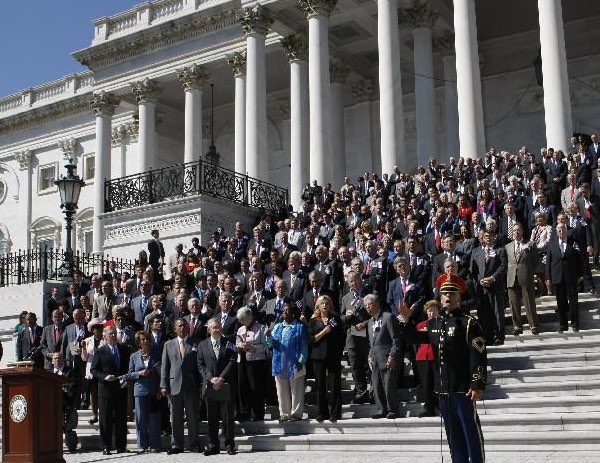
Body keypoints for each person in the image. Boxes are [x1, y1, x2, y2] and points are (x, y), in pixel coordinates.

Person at [401, 275, 487, 463]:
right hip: (443, 389)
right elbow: (414, 338)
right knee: (453, 436)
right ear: (439, 299)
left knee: (470, 431)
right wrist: (407, 321)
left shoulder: (468, 323)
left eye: (452, 293)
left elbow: (478, 354)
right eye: (444, 294)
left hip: (463, 388)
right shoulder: (434, 324)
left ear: (459, 298)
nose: (447, 297)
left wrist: (477, 383)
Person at [197, 317, 238, 456]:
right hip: (210, 386)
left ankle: (229, 445)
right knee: (212, 418)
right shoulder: (202, 345)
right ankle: (213, 445)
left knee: (227, 418)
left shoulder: (229, 343)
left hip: (225, 385)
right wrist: (211, 378)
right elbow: (200, 364)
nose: (217, 329)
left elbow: (233, 360)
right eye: (214, 327)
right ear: (209, 329)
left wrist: (221, 378)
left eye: (219, 327)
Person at [160, 318, 202, 454]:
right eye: (179, 326)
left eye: (184, 325)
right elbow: (165, 367)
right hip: (174, 385)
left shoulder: (196, 343)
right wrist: (163, 385)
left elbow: (200, 365)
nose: (182, 328)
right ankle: (177, 445)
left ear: (188, 327)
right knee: (176, 417)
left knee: (192, 417)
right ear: (175, 329)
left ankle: (194, 443)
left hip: (191, 385)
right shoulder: (168, 344)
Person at [90, 326, 131, 455]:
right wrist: (105, 377)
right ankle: (106, 446)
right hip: (106, 390)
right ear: (105, 336)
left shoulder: (124, 350)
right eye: (110, 334)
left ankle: (121, 446)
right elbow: (94, 370)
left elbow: (128, 367)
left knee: (121, 419)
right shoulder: (100, 351)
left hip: (121, 389)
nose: (113, 336)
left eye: (114, 333)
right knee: (105, 420)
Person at [268, 302, 309, 422]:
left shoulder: (299, 327)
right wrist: (268, 336)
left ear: (293, 313)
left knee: (297, 390)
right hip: (280, 363)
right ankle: (284, 413)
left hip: (295, 363)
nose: (284, 313)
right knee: (281, 390)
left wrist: (301, 360)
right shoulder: (278, 327)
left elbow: (303, 345)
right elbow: (271, 344)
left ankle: (296, 414)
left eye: (287, 311)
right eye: (283, 311)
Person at [308, 295, 344, 422]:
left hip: (333, 356)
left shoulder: (336, 319)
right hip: (318, 356)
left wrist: (339, 353)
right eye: (322, 303)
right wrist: (324, 331)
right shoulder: (313, 320)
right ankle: (322, 413)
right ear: (318, 305)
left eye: (327, 303)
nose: (324, 305)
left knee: (334, 385)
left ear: (330, 305)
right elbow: (311, 339)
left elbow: (341, 338)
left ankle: (335, 413)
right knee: (320, 386)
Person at [365, 294, 402, 419]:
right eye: (365, 306)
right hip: (375, 358)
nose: (367, 308)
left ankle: (393, 410)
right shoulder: (370, 321)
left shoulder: (388, 317)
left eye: (369, 305)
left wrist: (392, 355)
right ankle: (381, 409)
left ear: (376, 304)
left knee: (389, 384)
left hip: (387, 357)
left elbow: (396, 339)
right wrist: (370, 355)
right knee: (376, 384)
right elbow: (372, 341)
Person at [546, 223, 584, 332]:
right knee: (561, 302)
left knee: (573, 301)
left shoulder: (573, 243)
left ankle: (575, 324)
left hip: (571, 277)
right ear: (556, 232)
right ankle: (563, 325)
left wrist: (580, 275)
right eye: (559, 230)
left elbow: (579, 260)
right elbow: (548, 262)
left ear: (567, 231)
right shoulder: (552, 245)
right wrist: (548, 277)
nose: (561, 232)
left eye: (563, 230)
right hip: (557, 277)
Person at [128, 330, 162, 453]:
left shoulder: (156, 354)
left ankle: (155, 444)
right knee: (141, 419)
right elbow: (129, 374)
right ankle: (142, 444)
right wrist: (139, 373)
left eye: (147, 339)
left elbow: (161, 373)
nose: (146, 341)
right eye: (143, 339)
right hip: (140, 391)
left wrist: (160, 388)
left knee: (154, 418)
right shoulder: (134, 356)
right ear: (138, 342)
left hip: (154, 390)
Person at [505, 223, 540, 335]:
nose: (516, 232)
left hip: (526, 277)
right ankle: (517, 326)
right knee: (514, 303)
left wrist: (530, 273)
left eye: (518, 230)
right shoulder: (507, 246)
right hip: (512, 278)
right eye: (514, 231)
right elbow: (506, 263)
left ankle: (533, 325)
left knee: (529, 302)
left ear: (522, 231)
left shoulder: (530, 244)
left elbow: (535, 262)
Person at [235, 307, 269, 422]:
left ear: (249, 318)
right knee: (242, 386)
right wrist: (239, 346)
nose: (240, 322)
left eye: (242, 319)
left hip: (256, 362)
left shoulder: (261, 328)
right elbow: (236, 343)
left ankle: (257, 413)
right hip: (242, 361)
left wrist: (253, 348)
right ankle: (244, 412)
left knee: (256, 388)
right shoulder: (240, 329)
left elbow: (266, 347)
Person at [415, 300, 440, 417]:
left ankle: (439, 405)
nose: (431, 313)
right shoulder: (420, 325)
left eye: (434, 311)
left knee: (437, 383)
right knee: (426, 384)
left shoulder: (441, 323)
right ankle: (429, 408)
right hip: (422, 357)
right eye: (429, 311)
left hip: (436, 356)